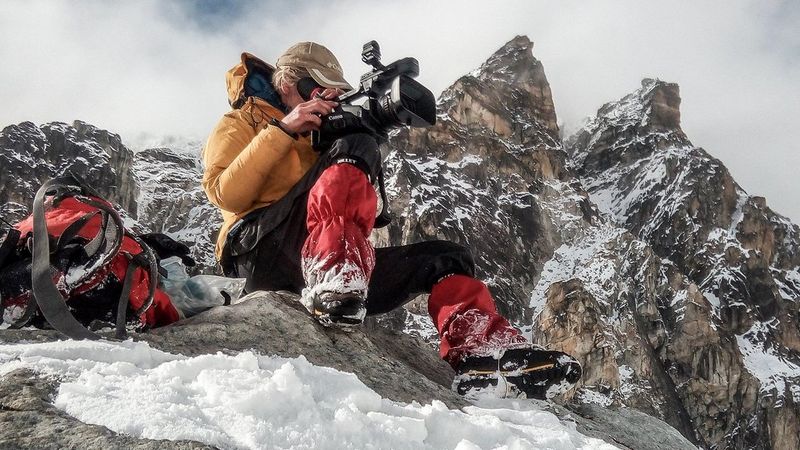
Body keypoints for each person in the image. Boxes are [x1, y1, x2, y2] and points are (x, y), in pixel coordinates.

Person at [202, 42, 581, 399]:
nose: (324, 97)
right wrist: (285, 130)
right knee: (354, 148)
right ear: (288, 82)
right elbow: (225, 193)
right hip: (257, 250)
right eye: (317, 88)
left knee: (448, 258)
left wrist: (357, 132)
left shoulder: (325, 134)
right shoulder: (242, 121)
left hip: (326, 256)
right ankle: (333, 275)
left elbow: (362, 210)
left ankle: (483, 356)